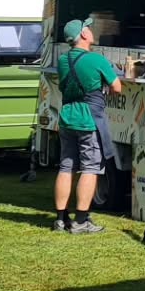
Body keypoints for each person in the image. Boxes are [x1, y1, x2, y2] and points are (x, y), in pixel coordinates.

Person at [53, 18, 122, 235]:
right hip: (88, 119)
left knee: (66, 167)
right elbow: (117, 87)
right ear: (83, 35)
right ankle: (81, 220)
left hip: (67, 118)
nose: (92, 31)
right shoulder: (97, 60)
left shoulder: (64, 60)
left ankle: (60, 219)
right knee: (90, 168)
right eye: (89, 28)